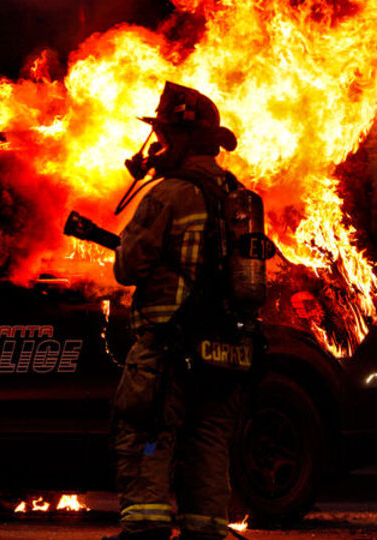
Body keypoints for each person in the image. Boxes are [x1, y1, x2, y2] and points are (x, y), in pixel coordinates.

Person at [105, 82, 247, 540]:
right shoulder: (239, 196)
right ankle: (206, 530)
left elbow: (129, 267)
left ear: (186, 140)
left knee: (148, 433)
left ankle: (145, 528)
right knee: (208, 439)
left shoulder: (169, 194)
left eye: (164, 136)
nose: (156, 145)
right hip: (225, 350)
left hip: (169, 346)